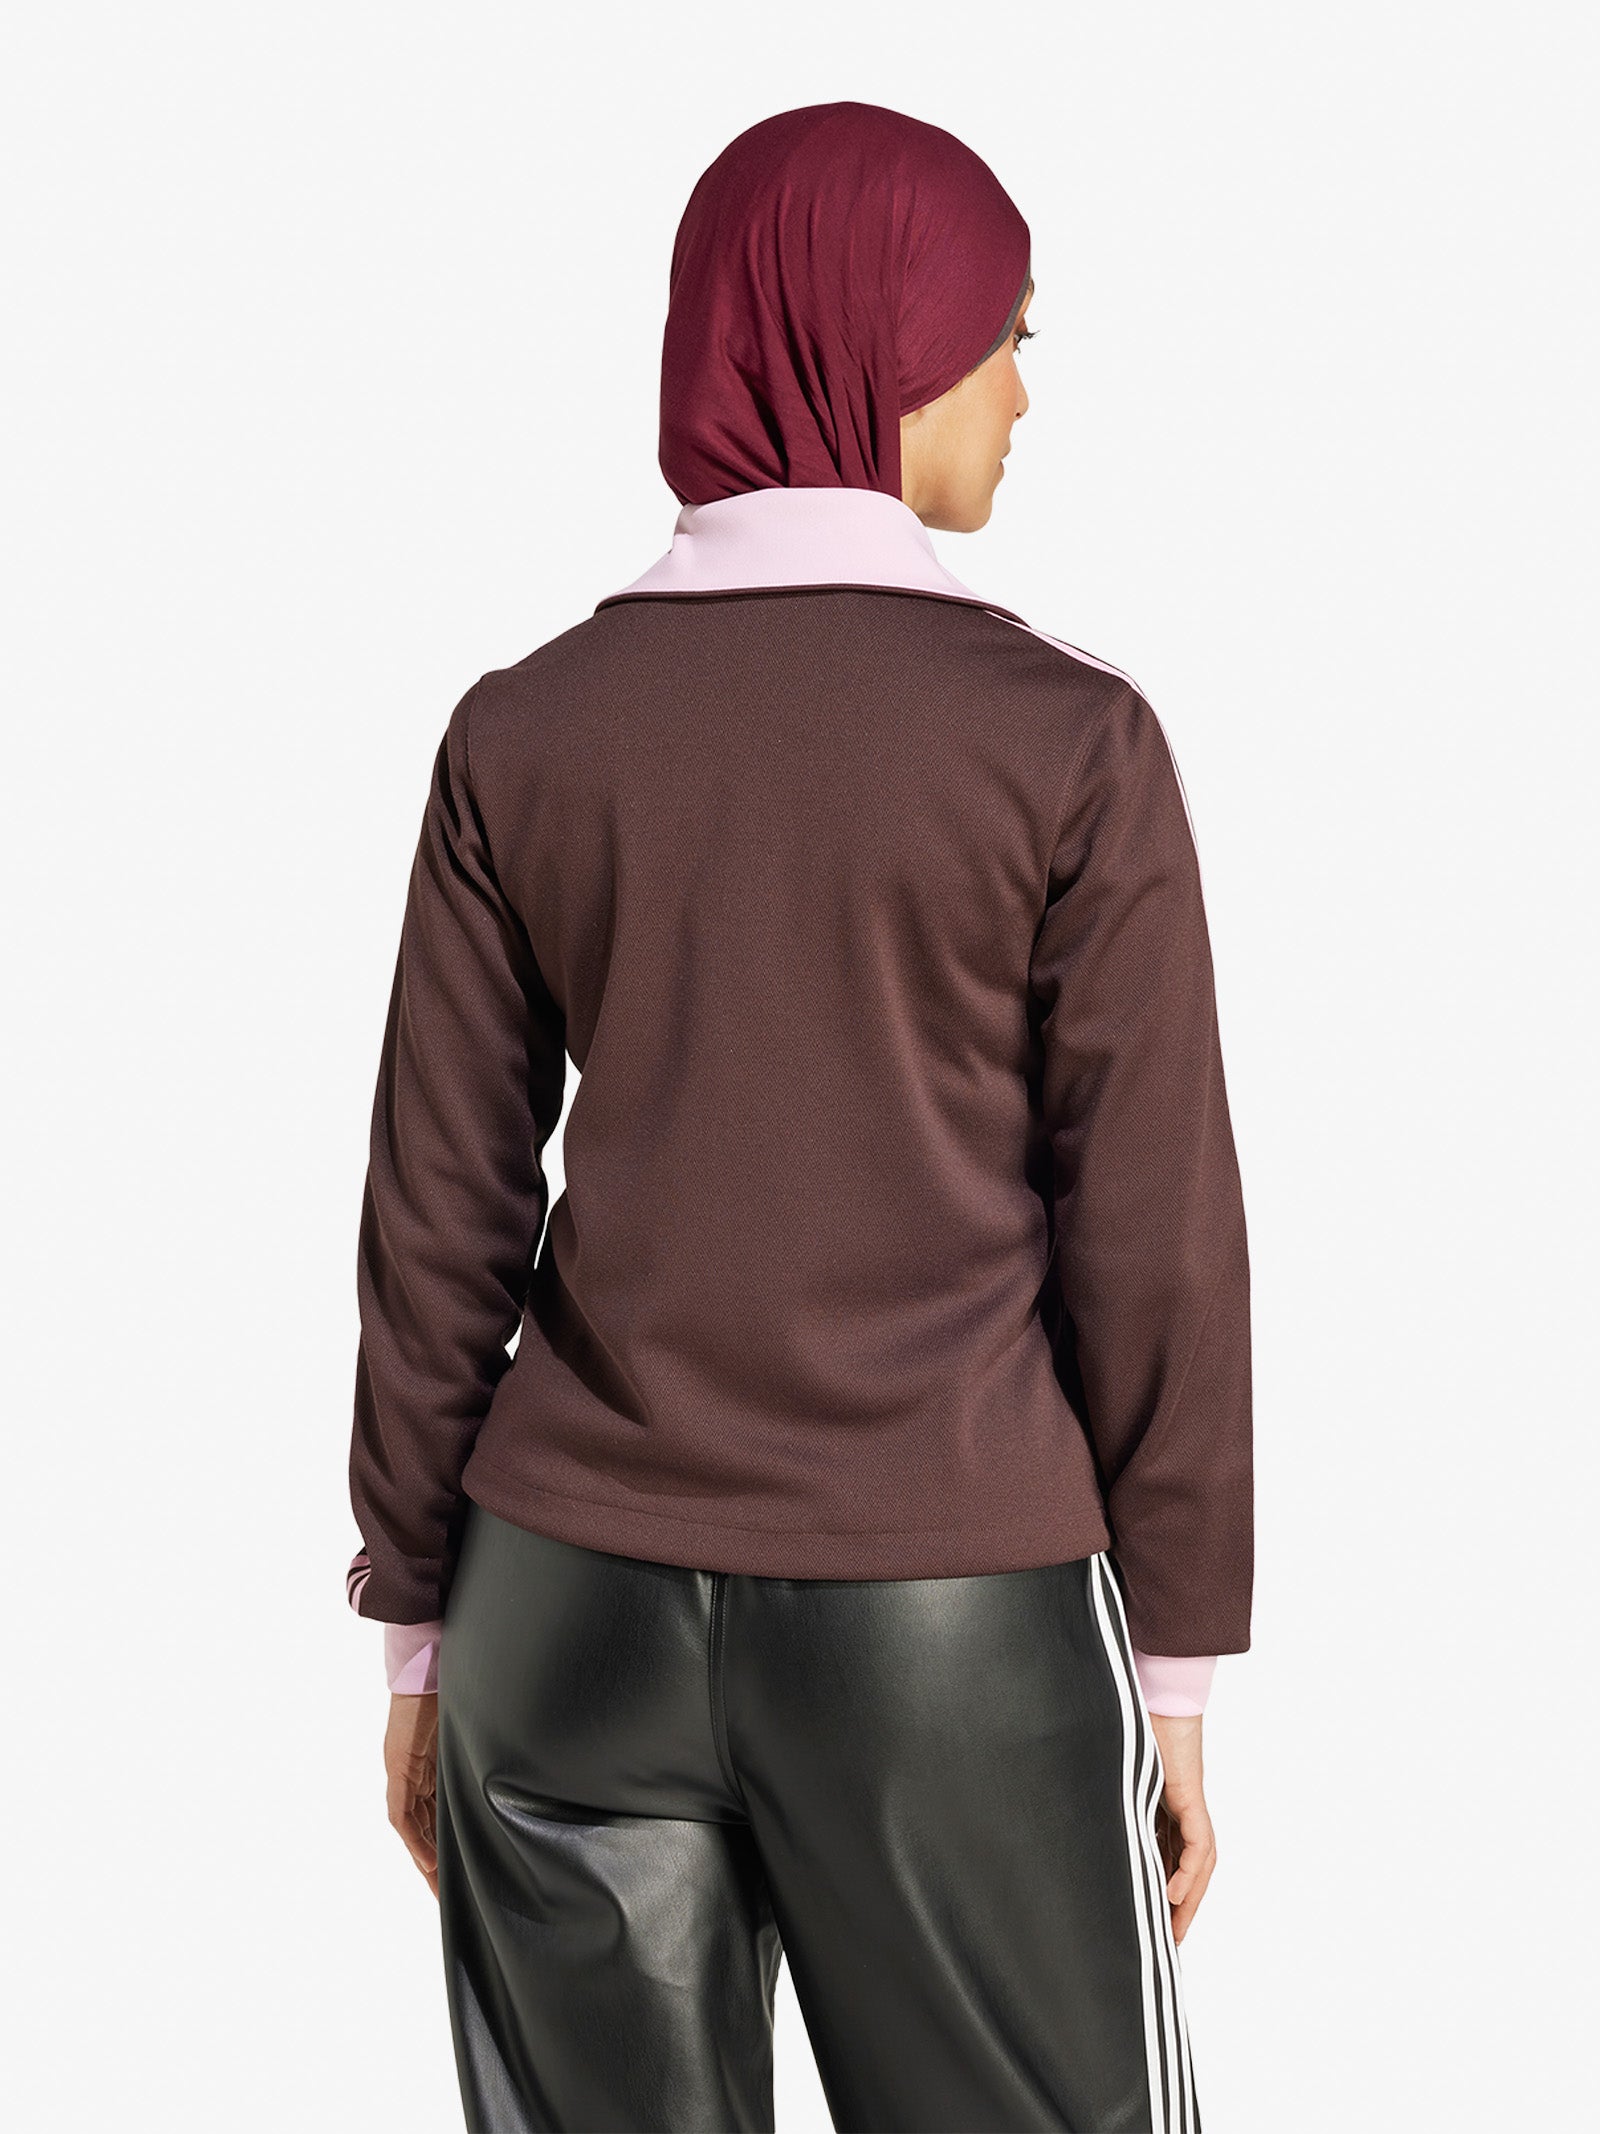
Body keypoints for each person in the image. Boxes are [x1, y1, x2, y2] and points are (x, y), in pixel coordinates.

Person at [343, 98, 1251, 2134]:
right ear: (886, 347)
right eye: (1003, 334)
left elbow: (437, 1214)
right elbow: (1155, 1237)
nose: (1022, 393)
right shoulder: (1064, 739)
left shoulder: (522, 727)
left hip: (557, 1614)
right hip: (948, 1621)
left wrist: (418, 1627)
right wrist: (1176, 1670)